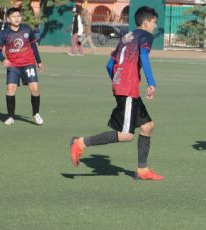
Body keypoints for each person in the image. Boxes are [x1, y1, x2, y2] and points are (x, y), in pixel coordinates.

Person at [69, 6, 164, 180]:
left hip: (125, 86)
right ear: (145, 22)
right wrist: (151, 82)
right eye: (154, 22)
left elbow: (109, 65)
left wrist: (117, 80)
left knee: (147, 126)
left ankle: (142, 171)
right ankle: (80, 142)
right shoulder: (146, 36)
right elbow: (143, 56)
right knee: (127, 135)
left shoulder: (127, 37)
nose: (155, 26)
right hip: (127, 88)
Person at [0, 7, 44, 126]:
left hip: (28, 64)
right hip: (13, 66)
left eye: (18, 16)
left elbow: (34, 46)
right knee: (10, 89)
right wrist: (3, 59)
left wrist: (39, 61)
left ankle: (36, 114)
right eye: (14, 16)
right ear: (8, 19)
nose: (17, 18)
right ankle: (11, 116)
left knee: (35, 89)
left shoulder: (27, 29)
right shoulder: (4, 33)